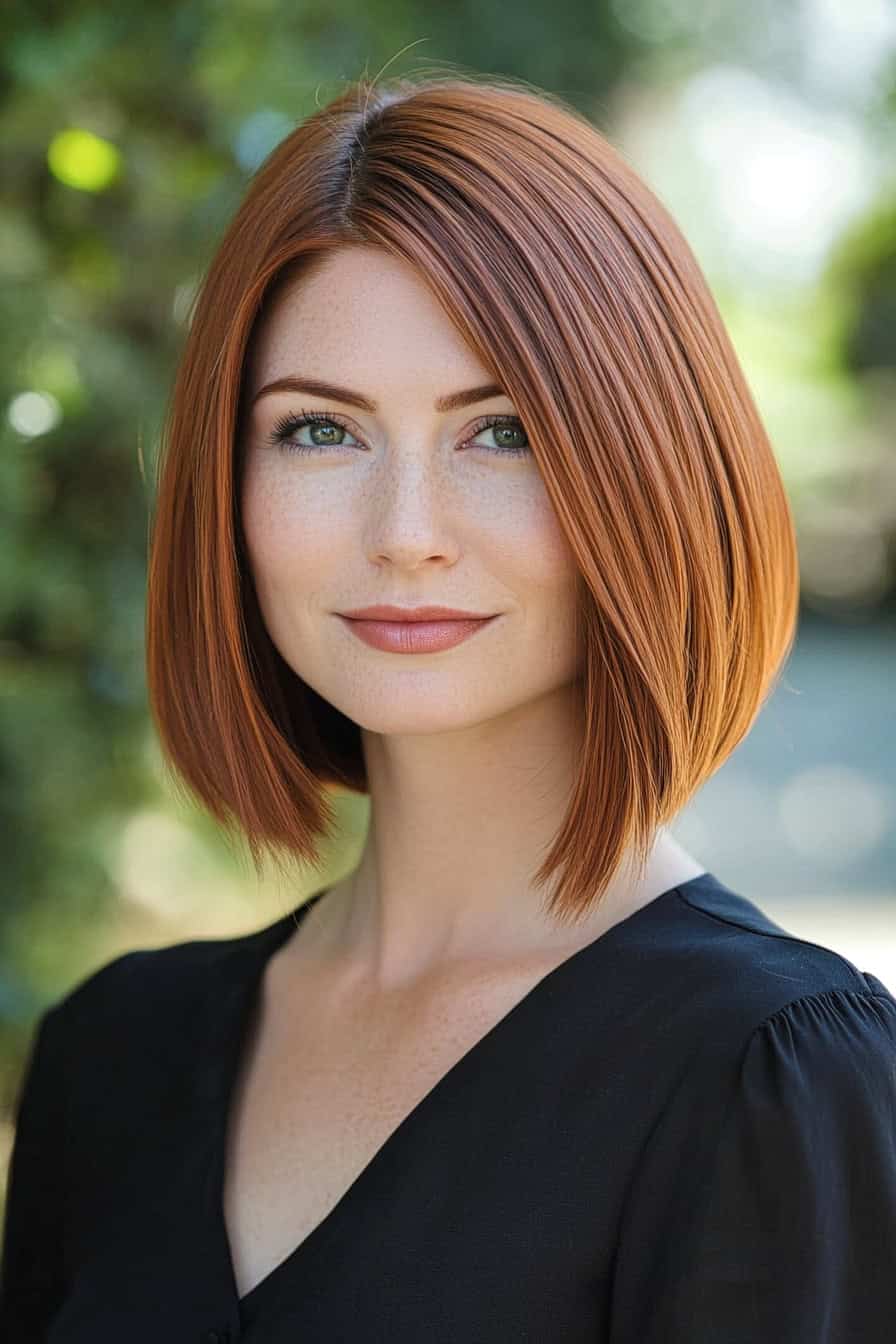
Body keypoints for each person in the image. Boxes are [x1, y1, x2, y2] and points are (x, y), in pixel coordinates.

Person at [2, 70, 894, 1343]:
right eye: (319, 432)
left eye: (503, 432)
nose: (405, 534)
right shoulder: (113, 1057)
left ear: (648, 471)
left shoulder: (767, 1080)